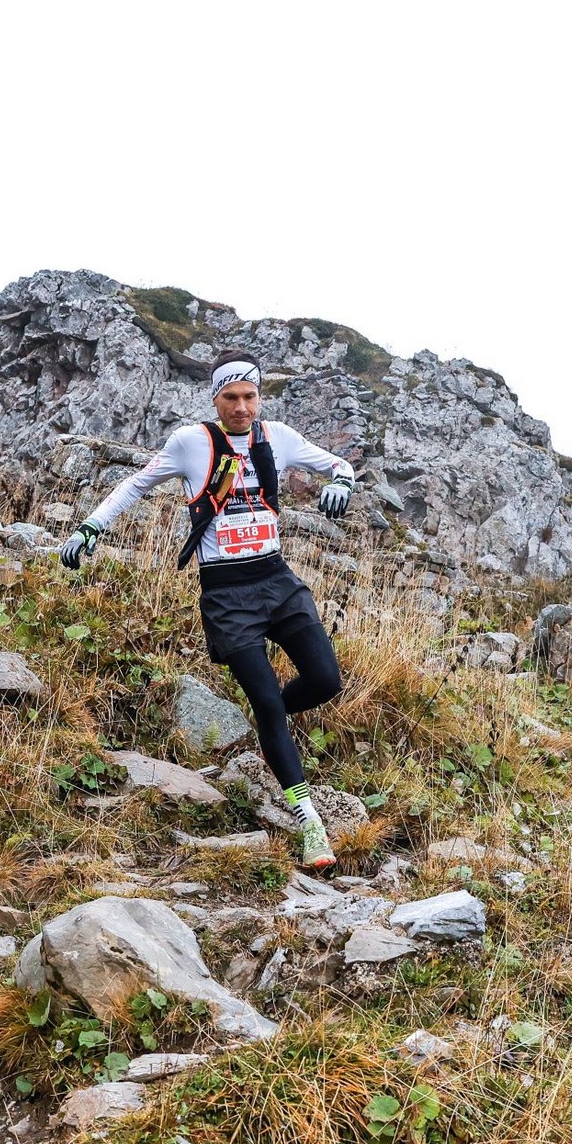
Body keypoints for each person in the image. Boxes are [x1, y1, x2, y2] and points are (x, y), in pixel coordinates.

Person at [57, 353, 356, 870]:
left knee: (326, 680)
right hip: (226, 593)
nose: (241, 407)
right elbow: (136, 484)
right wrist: (91, 527)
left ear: (259, 397)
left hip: (278, 581)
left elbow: (340, 465)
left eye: (249, 397)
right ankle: (309, 821)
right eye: (230, 397)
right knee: (267, 701)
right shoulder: (189, 443)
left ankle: (269, 723)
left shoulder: (279, 438)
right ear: (215, 399)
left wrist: (342, 482)